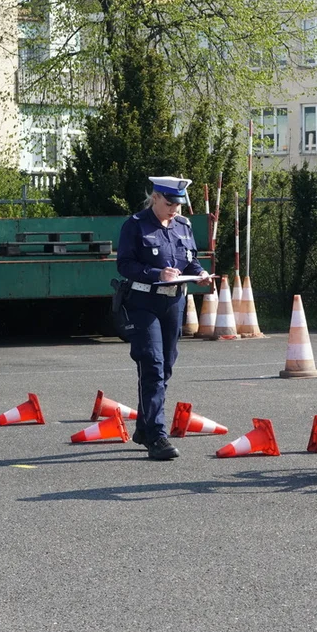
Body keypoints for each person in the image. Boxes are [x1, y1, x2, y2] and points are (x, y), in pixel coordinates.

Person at [116, 176, 213, 460]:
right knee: (152, 364)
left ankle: (145, 427)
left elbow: (190, 259)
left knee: (166, 366)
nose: (174, 209)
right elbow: (125, 264)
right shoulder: (135, 225)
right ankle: (157, 436)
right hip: (143, 302)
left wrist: (200, 273)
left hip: (174, 303)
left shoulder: (183, 225)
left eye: (178, 205)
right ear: (155, 197)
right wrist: (156, 274)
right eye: (169, 203)